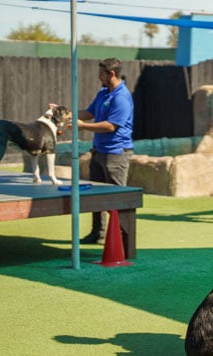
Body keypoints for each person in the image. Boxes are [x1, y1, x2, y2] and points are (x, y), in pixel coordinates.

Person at [70, 57, 134, 244]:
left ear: (111, 73)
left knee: (117, 199)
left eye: (101, 74)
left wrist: (81, 127)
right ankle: (98, 233)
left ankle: (123, 241)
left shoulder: (122, 97)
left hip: (116, 154)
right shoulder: (103, 93)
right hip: (98, 152)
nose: (99, 77)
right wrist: (66, 114)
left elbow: (110, 126)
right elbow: (89, 113)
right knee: (96, 196)